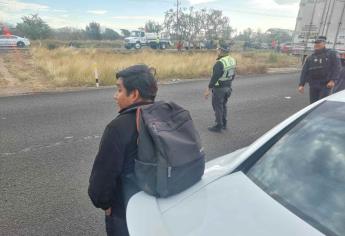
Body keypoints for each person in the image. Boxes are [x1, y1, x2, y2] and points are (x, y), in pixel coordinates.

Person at [88, 64, 158, 236]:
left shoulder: (118, 128)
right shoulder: (166, 115)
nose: (115, 96)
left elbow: (101, 182)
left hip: (127, 209)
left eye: (119, 90)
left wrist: (104, 204)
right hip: (161, 199)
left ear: (134, 94)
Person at [298, 36, 341, 103]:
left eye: (319, 43)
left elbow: (337, 67)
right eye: (315, 43)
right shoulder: (310, 57)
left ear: (324, 44)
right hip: (313, 84)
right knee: (313, 104)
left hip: (325, 84)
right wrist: (301, 84)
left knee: (321, 103)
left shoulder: (331, 54)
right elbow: (304, 71)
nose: (316, 45)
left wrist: (333, 80)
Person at [204, 45, 236, 132]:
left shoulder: (220, 63)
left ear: (221, 51)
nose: (217, 51)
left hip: (219, 89)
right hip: (228, 88)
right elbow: (233, 75)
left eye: (218, 49)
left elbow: (214, 77)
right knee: (223, 105)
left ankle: (219, 126)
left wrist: (208, 89)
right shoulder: (232, 60)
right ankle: (224, 123)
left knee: (218, 107)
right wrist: (228, 83)